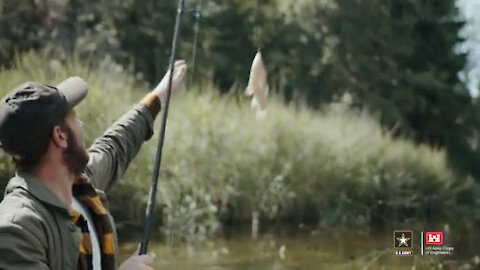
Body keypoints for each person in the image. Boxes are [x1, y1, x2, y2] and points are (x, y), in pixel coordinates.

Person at [0, 60, 187, 270]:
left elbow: (115, 145)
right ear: (60, 136)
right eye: (73, 117)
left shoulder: (78, 186)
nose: (81, 125)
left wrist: (160, 95)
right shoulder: (16, 228)